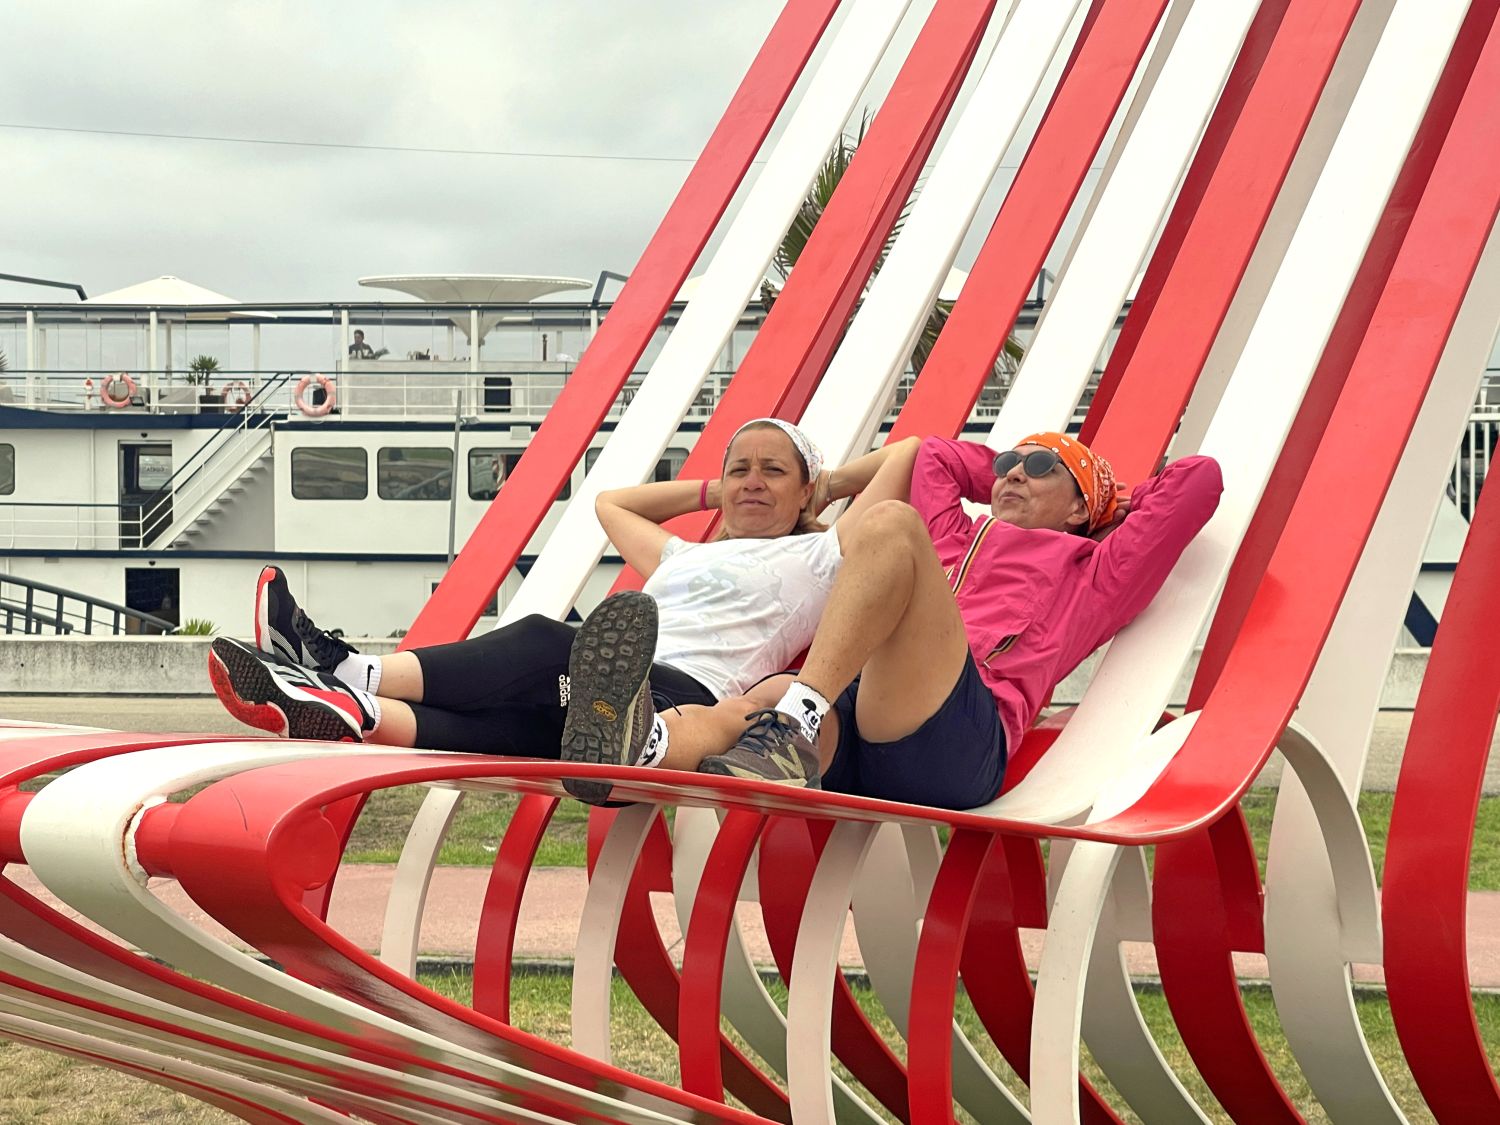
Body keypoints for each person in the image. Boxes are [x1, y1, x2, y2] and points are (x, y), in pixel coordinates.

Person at [207, 419, 923, 804]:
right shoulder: (682, 556)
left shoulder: (821, 554)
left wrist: (825, 486)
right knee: (519, 725)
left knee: (551, 640)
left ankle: (346, 667)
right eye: (741, 469)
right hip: (597, 713)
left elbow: (908, 458)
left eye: (774, 470)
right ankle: (347, 714)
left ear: (807, 491)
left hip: (678, 693)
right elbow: (612, 502)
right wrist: (715, 489)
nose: (752, 482)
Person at [577, 431, 1222, 809]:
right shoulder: (949, 537)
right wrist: (1041, 476)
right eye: (1005, 465)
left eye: (1045, 467)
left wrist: (1109, 499)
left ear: (1084, 507)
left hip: (959, 746)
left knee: (888, 524)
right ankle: (637, 753)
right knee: (764, 700)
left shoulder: (1097, 571)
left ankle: (793, 724)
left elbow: (1198, 481)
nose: (1014, 473)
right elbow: (934, 456)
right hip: (862, 728)